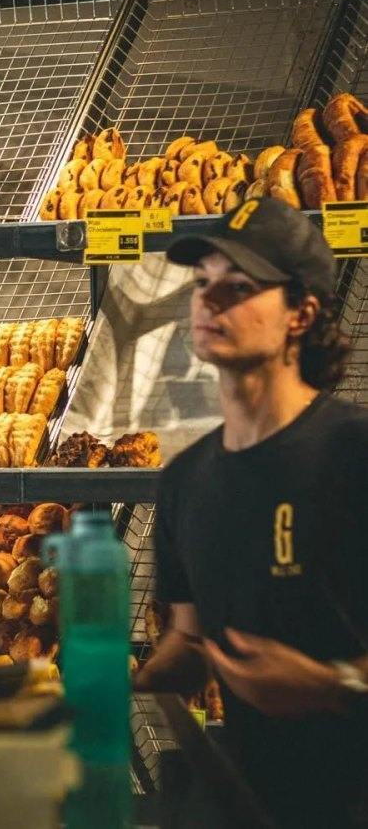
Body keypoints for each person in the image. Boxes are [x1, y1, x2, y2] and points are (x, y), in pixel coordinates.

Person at [133, 198, 368, 828]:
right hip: (250, 805)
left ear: (302, 314)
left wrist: (332, 684)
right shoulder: (186, 481)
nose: (209, 301)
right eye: (203, 283)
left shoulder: (353, 453)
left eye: (239, 287)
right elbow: (190, 641)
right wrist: (116, 689)